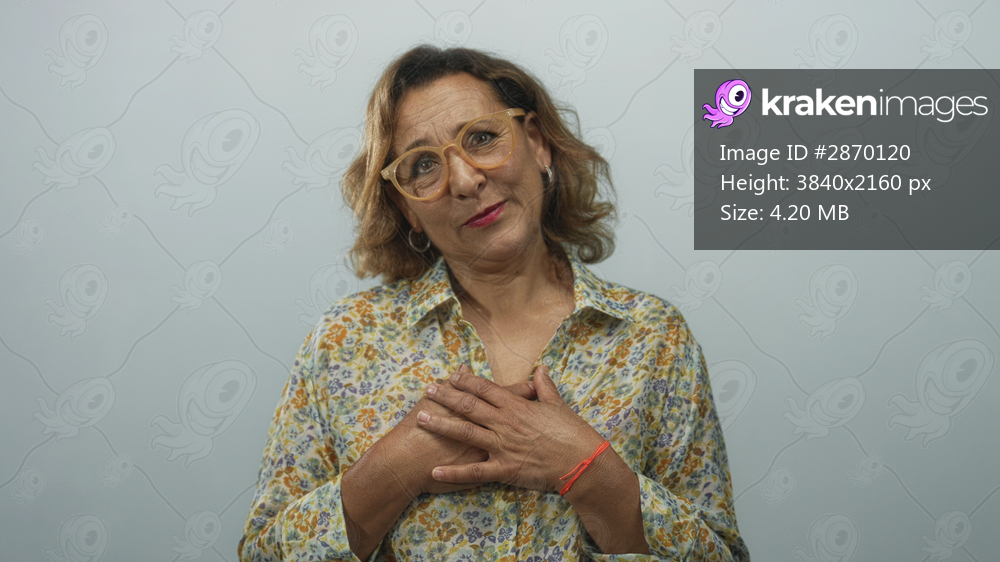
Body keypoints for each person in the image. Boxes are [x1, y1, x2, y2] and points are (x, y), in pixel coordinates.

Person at [239, 45, 749, 561]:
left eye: (482, 138)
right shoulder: (344, 340)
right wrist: (397, 465)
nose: (465, 181)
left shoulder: (653, 336)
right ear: (407, 207)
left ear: (537, 144)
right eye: (423, 165)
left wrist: (589, 471)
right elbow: (263, 555)